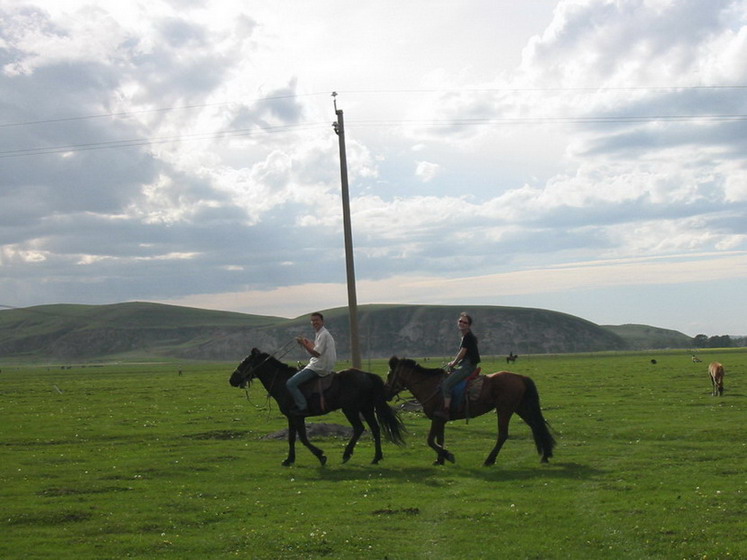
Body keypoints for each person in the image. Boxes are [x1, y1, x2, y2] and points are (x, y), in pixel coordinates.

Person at [286, 312, 337, 415]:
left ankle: (302, 407)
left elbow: (316, 353)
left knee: (290, 383)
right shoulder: (321, 333)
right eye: (313, 321)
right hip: (322, 364)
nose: (314, 322)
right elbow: (316, 348)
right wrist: (308, 343)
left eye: (317, 320)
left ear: (322, 321)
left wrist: (304, 345)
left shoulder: (323, 334)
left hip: (319, 366)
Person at [437, 312, 481, 419]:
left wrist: (454, 363)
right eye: (460, 321)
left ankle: (446, 410)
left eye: (465, 322)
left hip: (468, 366)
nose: (462, 323)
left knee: (446, 384)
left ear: (468, 325)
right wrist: (454, 363)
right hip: (466, 365)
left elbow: (462, 352)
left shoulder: (468, 337)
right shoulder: (466, 336)